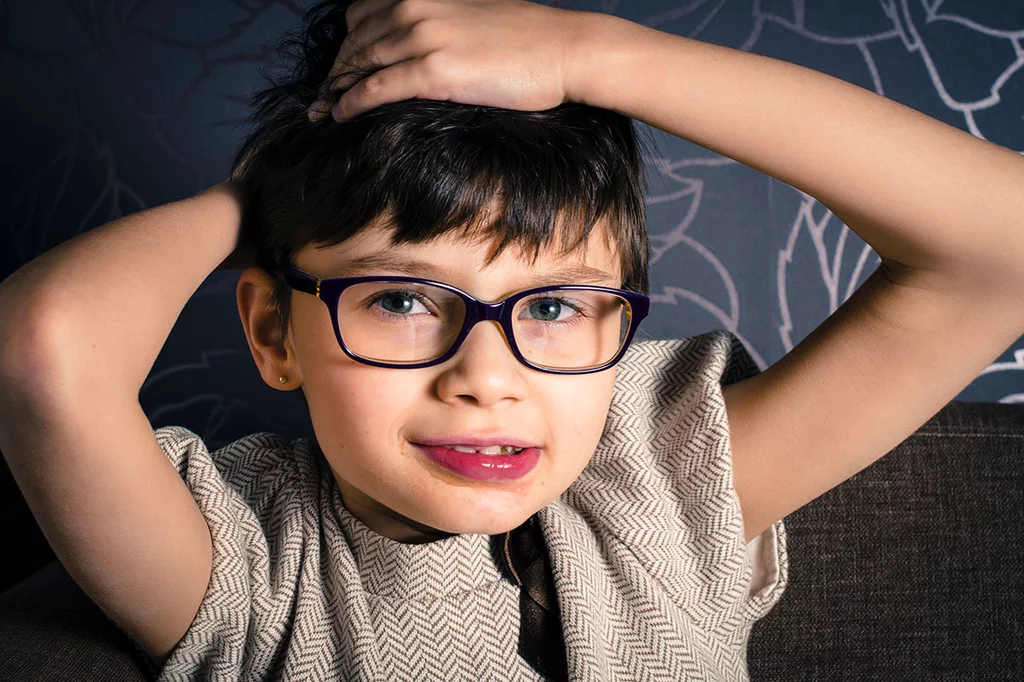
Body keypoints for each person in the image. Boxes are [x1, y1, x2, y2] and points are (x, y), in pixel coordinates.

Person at [1, 0, 1022, 680]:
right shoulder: (248, 571)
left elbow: (1002, 249)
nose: (485, 379)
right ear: (276, 331)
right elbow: (43, 353)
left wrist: (592, 53)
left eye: (553, 306)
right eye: (401, 300)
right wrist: (282, 186)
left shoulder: (665, 481)